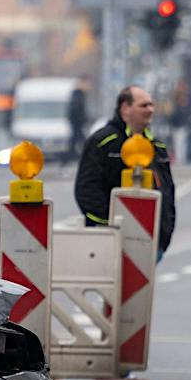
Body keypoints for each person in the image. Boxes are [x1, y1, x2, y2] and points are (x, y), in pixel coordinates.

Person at [75, 84, 176, 257]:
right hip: (110, 241)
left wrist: (165, 232)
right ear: (125, 108)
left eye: (151, 105)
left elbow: (167, 190)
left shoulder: (156, 146)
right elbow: (87, 190)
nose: (150, 110)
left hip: (151, 242)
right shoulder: (103, 142)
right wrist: (109, 226)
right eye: (143, 105)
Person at [65, 84, 90, 163]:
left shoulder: (77, 96)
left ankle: (69, 157)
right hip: (77, 123)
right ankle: (88, 155)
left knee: (75, 140)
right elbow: (77, 111)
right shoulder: (78, 96)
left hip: (77, 123)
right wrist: (82, 119)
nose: (89, 86)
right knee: (81, 140)